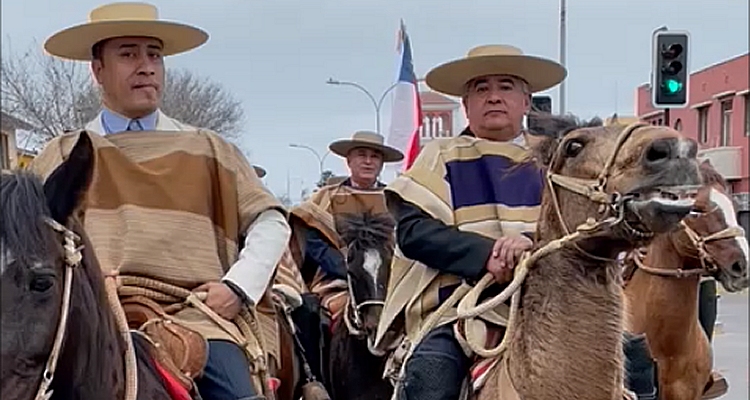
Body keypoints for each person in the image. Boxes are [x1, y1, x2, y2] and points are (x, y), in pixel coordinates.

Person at [31, 3, 290, 399]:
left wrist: (237, 287)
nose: (146, 66)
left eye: (154, 54)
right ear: (98, 70)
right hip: (93, 316)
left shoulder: (211, 148)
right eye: (128, 54)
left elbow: (271, 221)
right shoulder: (62, 154)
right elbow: (26, 240)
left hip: (195, 315)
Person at [371, 45, 658, 400]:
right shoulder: (439, 156)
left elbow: (589, 219)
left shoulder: (559, 159)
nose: (493, 97)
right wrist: (488, 254)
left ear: (526, 101)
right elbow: (414, 233)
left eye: (505, 86)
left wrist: (530, 245)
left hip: (556, 301)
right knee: (431, 375)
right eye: (481, 88)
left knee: (640, 363)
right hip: (463, 306)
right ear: (466, 104)